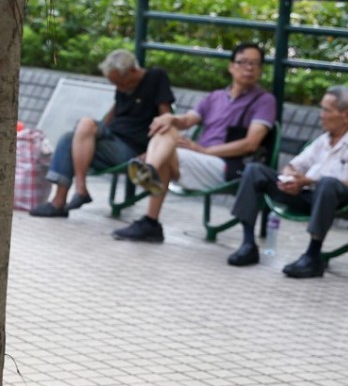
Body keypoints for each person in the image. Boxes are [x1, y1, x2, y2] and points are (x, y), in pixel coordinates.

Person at [112, 43, 277, 243]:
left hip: (228, 167)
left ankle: (149, 178)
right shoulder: (215, 97)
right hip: (200, 161)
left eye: (255, 64)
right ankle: (150, 191)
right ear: (231, 66)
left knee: (169, 150)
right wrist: (169, 119)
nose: (249, 68)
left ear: (260, 70)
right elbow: (187, 121)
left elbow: (251, 144)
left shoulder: (264, 101)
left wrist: (205, 150)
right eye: (243, 63)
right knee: (167, 128)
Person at [226, 86, 348, 278]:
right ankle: (248, 244)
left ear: (346, 115)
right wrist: (289, 179)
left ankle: (313, 256)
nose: (320, 115)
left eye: (326, 110)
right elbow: (294, 165)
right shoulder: (323, 140)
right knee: (254, 171)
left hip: (342, 198)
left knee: (327, 184)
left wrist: (308, 181)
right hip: (310, 195)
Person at [30, 49, 174, 218]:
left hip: (132, 148)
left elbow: (167, 119)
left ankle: (80, 190)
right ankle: (60, 202)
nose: (119, 88)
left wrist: (151, 152)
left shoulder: (155, 77)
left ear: (133, 71)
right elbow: (114, 111)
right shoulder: (123, 84)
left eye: (121, 83)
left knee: (80, 129)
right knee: (71, 137)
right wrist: (94, 131)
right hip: (111, 138)